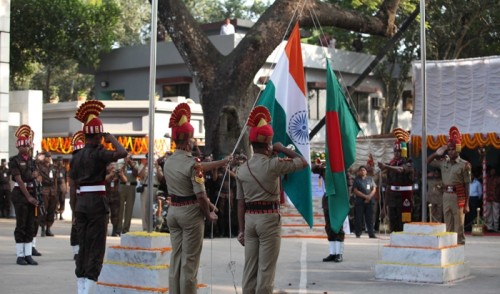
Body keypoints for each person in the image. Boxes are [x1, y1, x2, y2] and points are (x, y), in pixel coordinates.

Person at [236, 106, 308, 294]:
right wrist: (282, 148)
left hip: (250, 220)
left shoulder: (242, 169)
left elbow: (240, 203)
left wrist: (241, 230)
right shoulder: (274, 165)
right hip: (268, 219)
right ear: (268, 144)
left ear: (251, 144)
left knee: (249, 269)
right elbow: (303, 163)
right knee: (266, 271)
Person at [163, 102, 229, 294]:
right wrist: (208, 214)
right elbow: (200, 194)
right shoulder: (193, 164)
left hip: (174, 211)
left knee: (176, 258)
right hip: (190, 214)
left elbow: (197, 167)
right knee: (190, 263)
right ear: (188, 142)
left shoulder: (169, 161)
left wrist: (222, 162)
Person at [70, 100, 127, 293]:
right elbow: (123, 152)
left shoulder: (76, 156)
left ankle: (81, 288)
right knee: (96, 247)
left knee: (83, 245)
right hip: (97, 204)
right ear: (99, 135)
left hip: (81, 204)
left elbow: (73, 187)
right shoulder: (99, 152)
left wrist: (74, 209)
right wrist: (111, 137)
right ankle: (90, 289)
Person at [427, 126, 471, 244]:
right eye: (449, 149)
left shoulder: (464, 165)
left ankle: (460, 247)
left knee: (459, 226)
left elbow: (467, 185)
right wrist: (437, 153)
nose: (450, 151)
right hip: (446, 195)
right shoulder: (443, 162)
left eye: (453, 149)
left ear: (458, 149)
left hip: (458, 196)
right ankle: (449, 249)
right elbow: (427, 161)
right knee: (448, 225)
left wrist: (467, 203)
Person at [10, 124, 39, 265]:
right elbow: (19, 180)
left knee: (30, 225)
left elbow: (36, 177)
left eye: (26, 146)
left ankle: (28, 254)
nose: (25, 148)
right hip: (20, 195)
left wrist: (36, 175)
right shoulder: (14, 160)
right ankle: (20, 255)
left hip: (32, 193)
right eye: (22, 146)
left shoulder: (32, 161)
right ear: (18, 147)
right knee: (21, 224)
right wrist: (28, 197)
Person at [377, 128, 414, 233]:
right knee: (393, 223)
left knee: (404, 223)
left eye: (399, 151)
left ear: (403, 151)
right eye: (395, 151)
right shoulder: (392, 163)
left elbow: (401, 170)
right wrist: (384, 207)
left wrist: (386, 167)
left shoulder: (409, 163)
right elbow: (389, 186)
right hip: (393, 197)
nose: (397, 153)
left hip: (405, 197)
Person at [311, 159, 346, 263]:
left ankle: (339, 253)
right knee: (329, 226)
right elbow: (313, 169)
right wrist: (321, 164)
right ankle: (332, 253)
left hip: (337, 198)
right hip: (327, 199)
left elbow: (347, 184)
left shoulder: (340, 168)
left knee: (338, 225)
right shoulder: (324, 169)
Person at [69, 131, 85, 261]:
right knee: (76, 224)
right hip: (79, 196)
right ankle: (76, 250)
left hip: (87, 196)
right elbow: (72, 187)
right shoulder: (73, 166)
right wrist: (73, 206)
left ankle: (83, 249)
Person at [138, 155, 163, 231]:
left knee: (155, 208)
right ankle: (145, 227)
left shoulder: (158, 167)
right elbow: (140, 176)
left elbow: (161, 178)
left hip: (155, 188)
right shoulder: (143, 165)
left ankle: (155, 226)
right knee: (145, 208)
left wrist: (157, 167)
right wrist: (145, 165)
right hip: (146, 188)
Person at [352, 165, 377, 238]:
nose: (362, 171)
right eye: (361, 170)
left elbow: (374, 189)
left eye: (364, 170)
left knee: (370, 218)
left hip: (370, 201)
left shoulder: (370, 179)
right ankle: (358, 233)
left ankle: (371, 233)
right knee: (359, 218)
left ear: (366, 171)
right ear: (359, 172)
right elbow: (355, 190)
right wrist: (365, 196)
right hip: (360, 202)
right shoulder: (357, 180)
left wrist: (369, 196)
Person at [117, 154, 138, 234]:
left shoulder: (135, 163)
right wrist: (125, 164)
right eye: (127, 156)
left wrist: (131, 164)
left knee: (129, 209)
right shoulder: (120, 162)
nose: (128, 158)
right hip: (122, 186)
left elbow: (136, 174)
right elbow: (119, 173)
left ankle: (126, 229)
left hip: (131, 187)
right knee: (120, 209)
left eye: (129, 157)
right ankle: (118, 229)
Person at [37, 151, 58, 236]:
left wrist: (56, 191)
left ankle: (48, 228)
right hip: (44, 190)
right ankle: (42, 228)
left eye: (49, 157)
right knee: (43, 210)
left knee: (51, 210)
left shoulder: (53, 167)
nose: (48, 159)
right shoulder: (39, 167)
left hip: (52, 191)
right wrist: (38, 157)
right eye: (47, 157)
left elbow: (56, 179)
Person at [106, 162, 122, 236]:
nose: (113, 168)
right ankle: (105, 230)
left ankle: (114, 231)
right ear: (108, 167)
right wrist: (111, 174)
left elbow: (125, 180)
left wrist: (121, 174)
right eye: (112, 166)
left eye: (114, 166)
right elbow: (106, 179)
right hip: (106, 196)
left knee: (115, 215)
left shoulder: (117, 174)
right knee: (105, 214)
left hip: (115, 197)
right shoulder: (105, 173)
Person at [484, 166, 499, 232]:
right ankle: (489, 227)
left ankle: (496, 227)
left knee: (496, 214)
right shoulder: (486, 178)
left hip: (496, 198)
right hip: (488, 198)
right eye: (491, 170)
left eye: (493, 170)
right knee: (488, 213)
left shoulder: (498, 178)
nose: (492, 172)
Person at [54, 156, 68, 220]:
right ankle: (56, 214)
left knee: (62, 200)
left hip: (62, 186)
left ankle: (61, 215)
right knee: (56, 200)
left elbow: (66, 179)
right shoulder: (54, 168)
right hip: (56, 186)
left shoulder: (64, 169)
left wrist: (66, 188)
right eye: (59, 160)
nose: (60, 162)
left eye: (61, 160)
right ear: (57, 161)